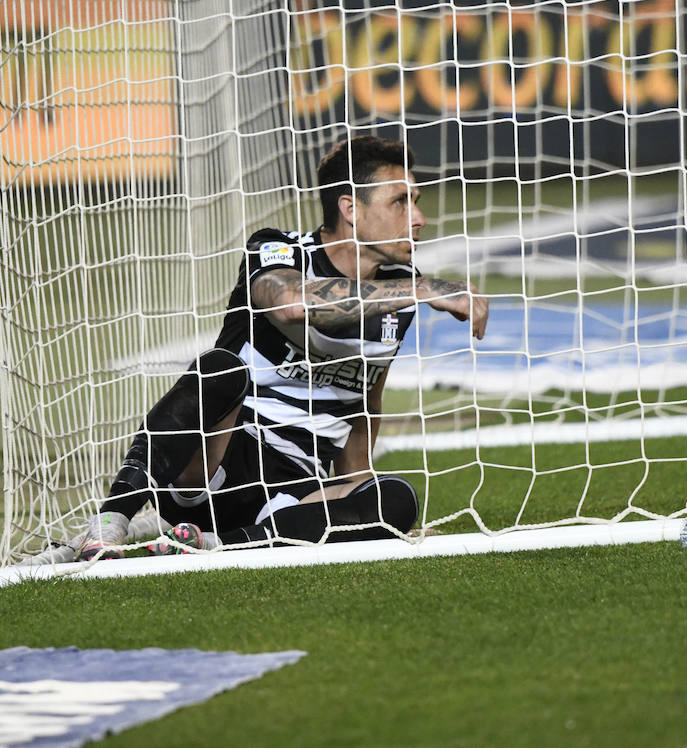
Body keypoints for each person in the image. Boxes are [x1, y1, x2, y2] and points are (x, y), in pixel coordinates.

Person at [75, 135, 489, 559]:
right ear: (350, 209)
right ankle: (110, 523)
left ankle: (220, 546)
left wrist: (363, 505)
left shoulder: (398, 289)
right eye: (401, 201)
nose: (418, 217)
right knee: (218, 369)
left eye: (416, 200)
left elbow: (367, 403)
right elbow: (291, 303)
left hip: (291, 499)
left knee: (396, 498)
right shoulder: (278, 250)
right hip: (213, 470)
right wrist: (421, 289)